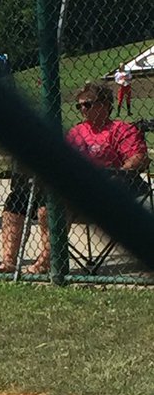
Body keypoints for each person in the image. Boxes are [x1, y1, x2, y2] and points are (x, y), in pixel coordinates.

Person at [25, 80, 149, 275]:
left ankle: (45, 261)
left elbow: (138, 158)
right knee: (45, 210)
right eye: (79, 105)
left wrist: (117, 173)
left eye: (88, 104)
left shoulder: (121, 129)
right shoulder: (76, 132)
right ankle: (52, 258)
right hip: (80, 194)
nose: (83, 109)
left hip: (115, 191)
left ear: (106, 105)